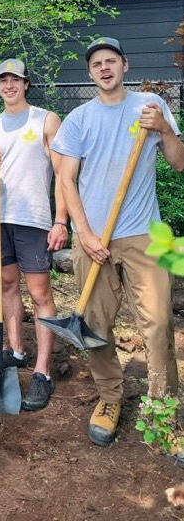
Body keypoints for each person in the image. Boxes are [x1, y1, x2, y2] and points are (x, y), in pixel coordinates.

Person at [51, 37, 184, 446]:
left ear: (124, 65)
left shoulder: (150, 107)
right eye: (96, 64)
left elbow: (179, 163)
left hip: (146, 233)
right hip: (95, 239)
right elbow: (65, 179)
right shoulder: (79, 119)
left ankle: (164, 409)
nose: (104, 68)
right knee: (94, 326)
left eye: (111, 61)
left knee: (159, 323)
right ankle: (110, 397)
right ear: (90, 74)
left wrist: (163, 129)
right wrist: (84, 233)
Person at [0, 58, 68, 411]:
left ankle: (42, 372)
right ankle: (15, 352)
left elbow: (63, 175)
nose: (9, 86)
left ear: (26, 83)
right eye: (3, 80)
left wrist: (61, 220)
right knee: (7, 286)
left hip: (34, 218)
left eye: (15, 80)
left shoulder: (45, 120)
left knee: (40, 293)